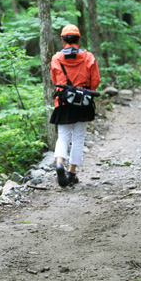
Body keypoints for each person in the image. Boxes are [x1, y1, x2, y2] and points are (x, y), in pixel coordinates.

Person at [50, 24, 101, 187]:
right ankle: (71, 173)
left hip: (64, 101)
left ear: (62, 40)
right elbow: (96, 81)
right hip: (83, 101)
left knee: (63, 136)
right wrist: (85, 92)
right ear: (79, 39)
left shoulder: (56, 58)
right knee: (78, 138)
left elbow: (55, 80)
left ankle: (59, 164)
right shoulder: (89, 57)